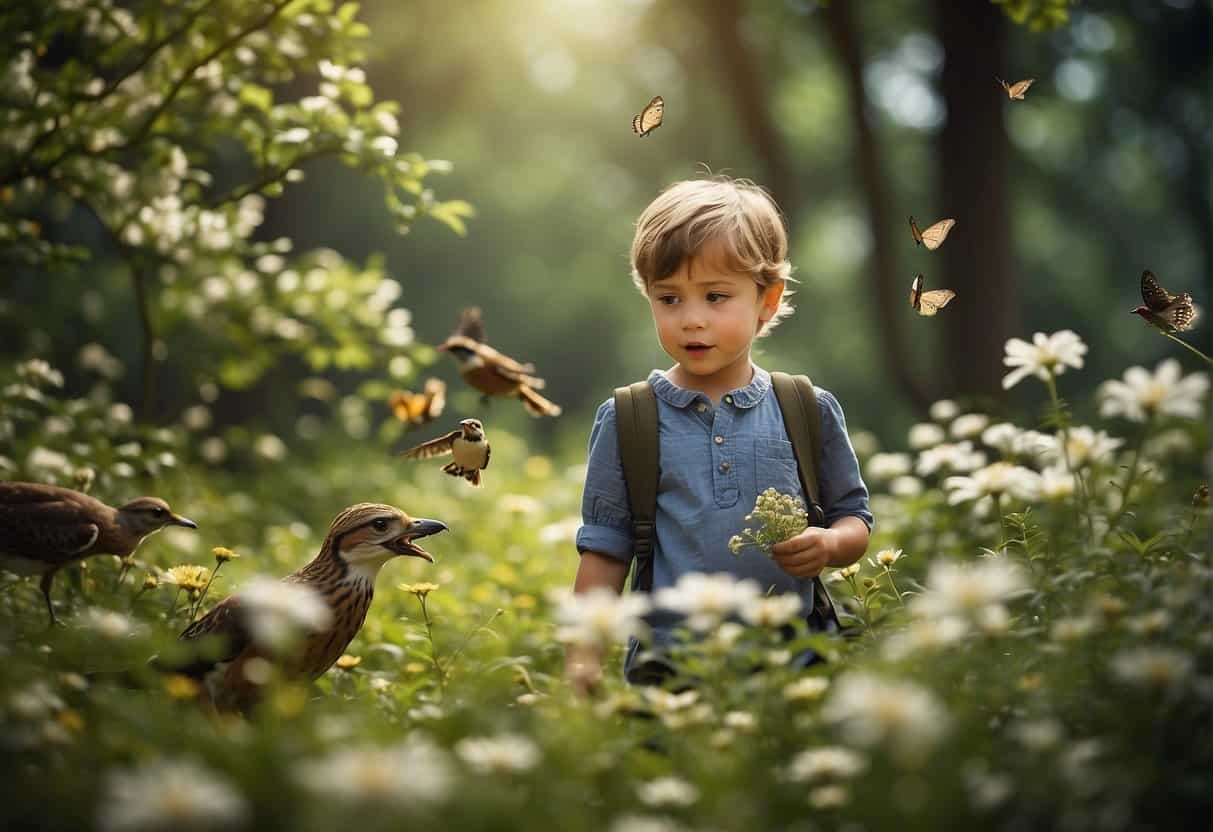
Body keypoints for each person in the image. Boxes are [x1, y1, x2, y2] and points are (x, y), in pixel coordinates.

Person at [566, 176, 873, 694]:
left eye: (714, 296)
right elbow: (605, 551)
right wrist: (583, 657)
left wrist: (830, 544)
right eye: (669, 299)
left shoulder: (806, 409)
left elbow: (855, 517)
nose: (691, 320)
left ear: (766, 302)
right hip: (670, 676)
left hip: (795, 668)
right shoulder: (628, 418)